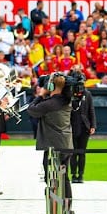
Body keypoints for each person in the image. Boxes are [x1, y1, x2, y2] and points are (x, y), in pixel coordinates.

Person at [27, 72, 74, 201]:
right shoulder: (65, 100)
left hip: (54, 146)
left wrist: (40, 95)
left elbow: (31, 110)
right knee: (64, 178)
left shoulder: (51, 103)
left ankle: (56, 211)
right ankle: (65, 209)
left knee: (52, 178)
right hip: (65, 143)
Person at [68, 71, 96, 183]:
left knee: (82, 152)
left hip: (84, 126)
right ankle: (73, 174)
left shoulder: (87, 94)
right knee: (73, 152)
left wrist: (93, 125)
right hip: (72, 125)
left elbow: (91, 110)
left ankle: (81, 175)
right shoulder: (69, 93)